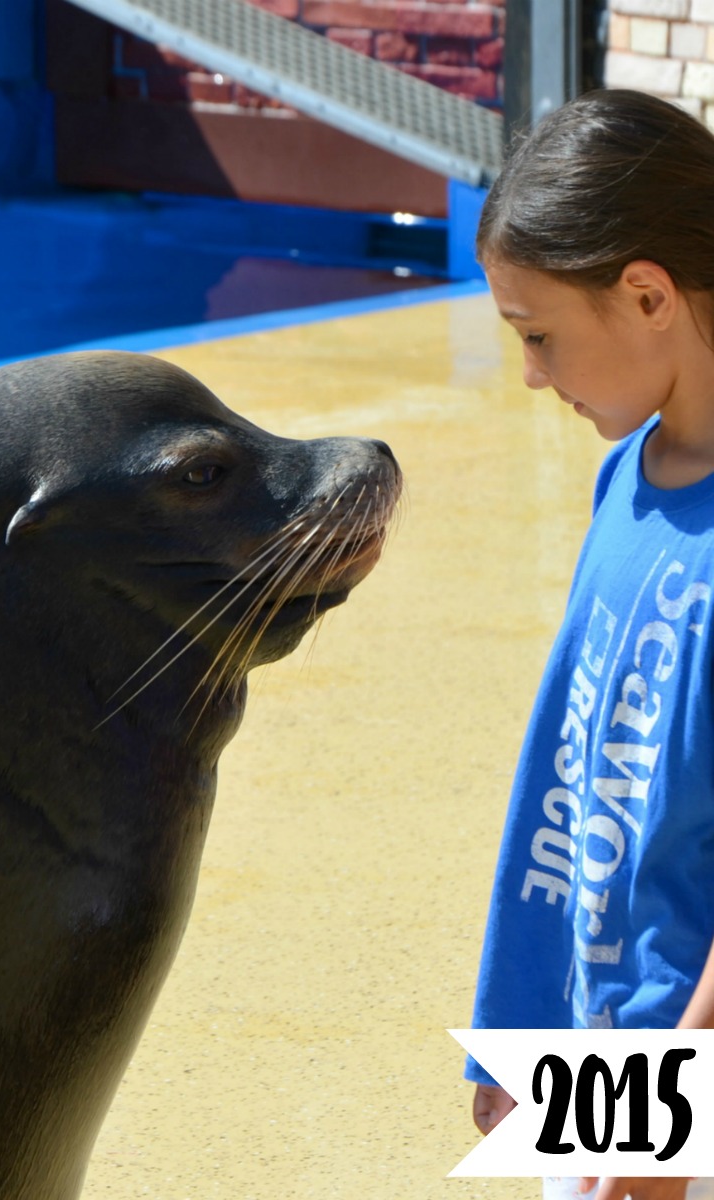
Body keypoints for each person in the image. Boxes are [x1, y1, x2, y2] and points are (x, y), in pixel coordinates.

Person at [465, 88, 714, 1200]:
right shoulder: (626, 482)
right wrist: (525, 1032)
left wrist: (671, 1110)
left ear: (647, 292)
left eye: (539, 335)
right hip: (616, 1059)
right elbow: (578, 779)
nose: (529, 375)